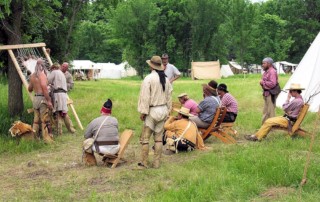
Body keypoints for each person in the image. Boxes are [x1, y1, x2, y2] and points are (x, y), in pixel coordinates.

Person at [137, 55, 173, 169]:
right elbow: (169, 97)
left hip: (152, 111)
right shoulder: (166, 79)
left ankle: (144, 163)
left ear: (151, 66)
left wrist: (143, 112)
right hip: (163, 110)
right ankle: (156, 163)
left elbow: (145, 97)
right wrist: (168, 111)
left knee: (145, 139)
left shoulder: (149, 78)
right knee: (158, 139)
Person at [82, 99, 120, 166]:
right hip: (115, 148)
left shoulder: (95, 121)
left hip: (101, 149)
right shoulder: (115, 120)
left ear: (101, 110)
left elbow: (86, 135)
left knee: (87, 142)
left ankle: (91, 163)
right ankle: (108, 159)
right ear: (110, 111)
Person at [28, 59, 54, 143]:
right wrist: (49, 101)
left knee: (36, 120)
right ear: (42, 66)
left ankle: (34, 139)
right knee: (44, 119)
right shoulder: (42, 75)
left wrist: (35, 85)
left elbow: (30, 89)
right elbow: (44, 87)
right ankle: (46, 139)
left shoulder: (32, 76)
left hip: (35, 99)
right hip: (42, 98)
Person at [47, 63, 76, 135]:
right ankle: (71, 129)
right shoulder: (62, 74)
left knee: (58, 113)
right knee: (64, 113)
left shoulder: (54, 72)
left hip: (58, 95)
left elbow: (48, 81)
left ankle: (59, 132)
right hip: (64, 95)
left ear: (53, 68)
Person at [260, 57, 278, 124]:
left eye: (264, 63)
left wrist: (263, 83)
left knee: (271, 112)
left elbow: (273, 84)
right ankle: (264, 127)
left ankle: (272, 128)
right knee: (265, 111)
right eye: (262, 63)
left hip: (271, 94)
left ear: (269, 64)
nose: (262, 65)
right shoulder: (266, 72)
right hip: (266, 94)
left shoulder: (272, 71)